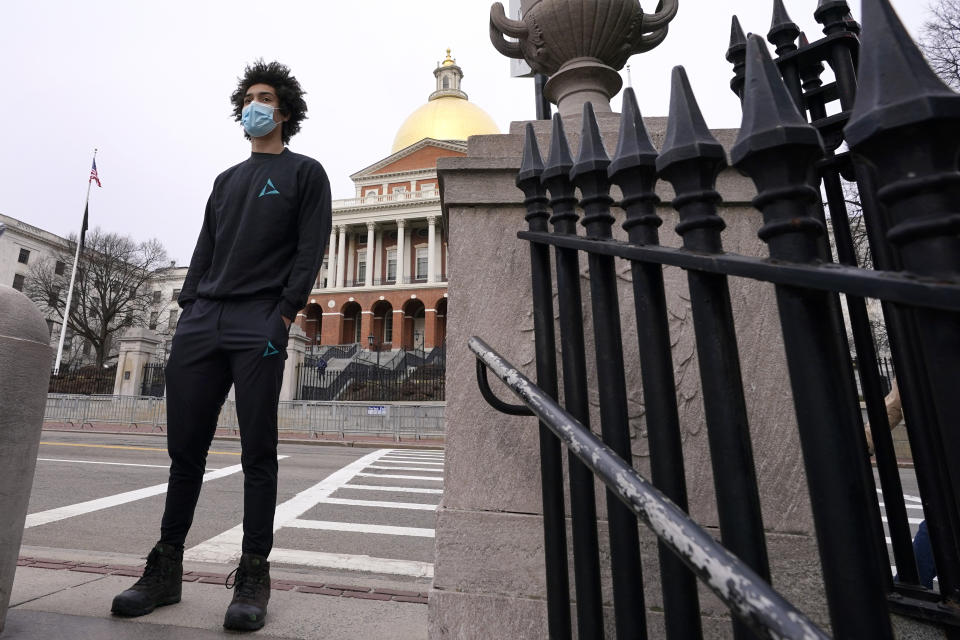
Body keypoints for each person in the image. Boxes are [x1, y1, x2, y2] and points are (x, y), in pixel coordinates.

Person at [111, 60, 331, 632]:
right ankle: (165, 570)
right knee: (185, 452)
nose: (253, 106)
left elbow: (309, 251)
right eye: (247, 98)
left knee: (257, 450)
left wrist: (283, 314)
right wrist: (190, 306)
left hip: (260, 319)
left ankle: (254, 573)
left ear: (283, 110)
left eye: (265, 98)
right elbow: (205, 246)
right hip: (204, 319)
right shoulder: (226, 179)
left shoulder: (306, 173)